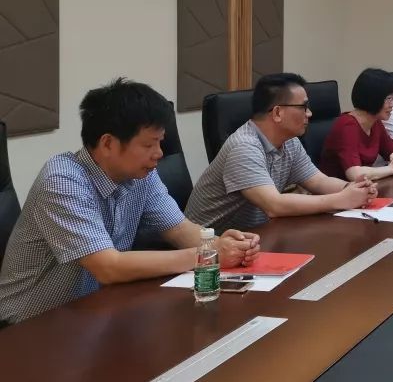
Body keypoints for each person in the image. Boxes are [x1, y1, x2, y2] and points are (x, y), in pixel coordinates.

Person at [0, 79, 260, 325]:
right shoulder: (63, 181)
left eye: (160, 143)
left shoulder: (141, 175)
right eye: (149, 145)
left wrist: (223, 245)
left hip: (93, 310)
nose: (159, 154)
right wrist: (206, 256)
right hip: (28, 326)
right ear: (108, 143)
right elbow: (108, 267)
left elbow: (179, 229)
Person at [185, 72, 376, 231]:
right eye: (303, 107)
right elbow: (274, 206)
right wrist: (341, 199)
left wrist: (354, 189)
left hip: (255, 235)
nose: (309, 113)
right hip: (206, 248)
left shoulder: (290, 142)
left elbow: (318, 181)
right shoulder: (243, 147)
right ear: (277, 113)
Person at [320, 68, 393, 181]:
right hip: (337, 189)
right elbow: (355, 174)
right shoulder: (347, 125)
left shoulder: (376, 122)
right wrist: (391, 169)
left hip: (363, 187)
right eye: (389, 99)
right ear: (373, 98)